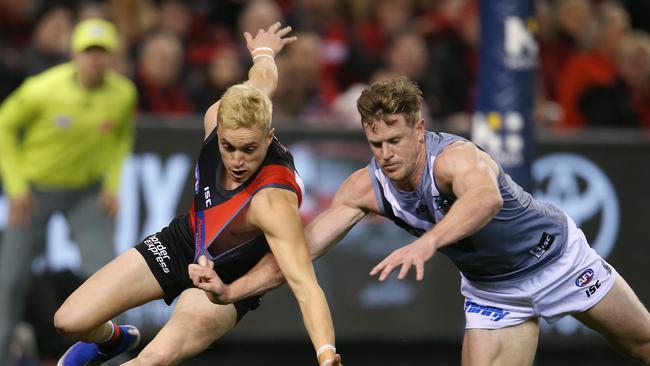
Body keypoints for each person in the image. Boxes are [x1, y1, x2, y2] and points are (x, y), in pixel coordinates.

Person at [192, 77, 650, 364]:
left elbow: (485, 201)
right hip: (495, 292)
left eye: (395, 139)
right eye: (375, 144)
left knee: (640, 346)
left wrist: (426, 243)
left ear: (418, 128)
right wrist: (233, 291)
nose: (386, 154)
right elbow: (299, 253)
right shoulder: (364, 189)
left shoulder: (453, 159)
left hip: (558, 260)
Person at [53, 23, 343, 366]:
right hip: (182, 242)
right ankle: (112, 339)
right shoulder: (220, 116)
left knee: (150, 361)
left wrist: (325, 354)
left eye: (249, 149)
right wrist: (265, 51)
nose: (236, 160)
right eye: (228, 146)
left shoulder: (273, 202)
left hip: (227, 280)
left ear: (269, 138)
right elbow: (264, 77)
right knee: (68, 321)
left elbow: (305, 286)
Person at [0, 18, 136, 365]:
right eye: (89, 52)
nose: (95, 59)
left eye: (102, 52)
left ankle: (115, 358)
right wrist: (15, 187)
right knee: (10, 278)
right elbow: (3, 124)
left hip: (85, 194)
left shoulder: (122, 93)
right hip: (35, 192)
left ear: (111, 56)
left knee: (108, 274)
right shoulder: (42, 89)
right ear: (75, 54)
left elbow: (122, 137)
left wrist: (112, 182)